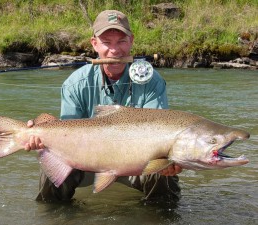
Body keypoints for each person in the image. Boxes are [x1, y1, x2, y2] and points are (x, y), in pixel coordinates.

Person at [25, 9, 182, 202]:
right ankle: (55, 217)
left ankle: (158, 217)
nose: (114, 51)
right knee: (51, 172)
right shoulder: (75, 83)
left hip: (137, 163)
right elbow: (67, 133)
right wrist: (39, 137)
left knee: (161, 171)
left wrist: (170, 160)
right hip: (87, 161)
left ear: (131, 41)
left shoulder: (152, 81)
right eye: (106, 42)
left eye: (121, 42)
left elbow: (160, 136)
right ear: (94, 44)